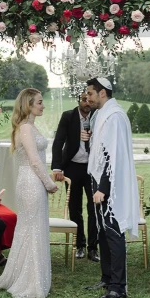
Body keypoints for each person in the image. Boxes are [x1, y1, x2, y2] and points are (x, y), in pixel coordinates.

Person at [0, 88, 58, 298]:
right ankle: (30, 281)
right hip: (31, 182)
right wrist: (48, 183)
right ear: (28, 104)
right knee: (32, 228)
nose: (43, 105)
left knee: (32, 228)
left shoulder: (30, 127)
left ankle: (27, 275)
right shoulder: (25, 129)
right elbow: (34, 159)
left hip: (33, 181)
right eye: (39, 102)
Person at [85, 76, 140, 298]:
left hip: (111, 185)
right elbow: (100, 152)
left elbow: (113, 156)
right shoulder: (102, 115)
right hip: (101, 182)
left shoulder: (115, 117)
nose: (87, 98)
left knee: (114, 233)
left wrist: (104, 189)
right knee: (104, 233)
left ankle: (118, 287)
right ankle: (107, 278)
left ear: (103, 93)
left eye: (90, 93)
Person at [51, 91, 99, 262]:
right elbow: (58, 142)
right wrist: (57, 167)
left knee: (94, 207)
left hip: (92, 168)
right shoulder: (68, 116)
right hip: (72, 166)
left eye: (89, 99)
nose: (87, 103)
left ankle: (93, 248)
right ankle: (80, 245)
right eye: (84, 100)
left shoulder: (97, 115)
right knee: (74, 206)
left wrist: (93, 138)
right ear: (78, 101)